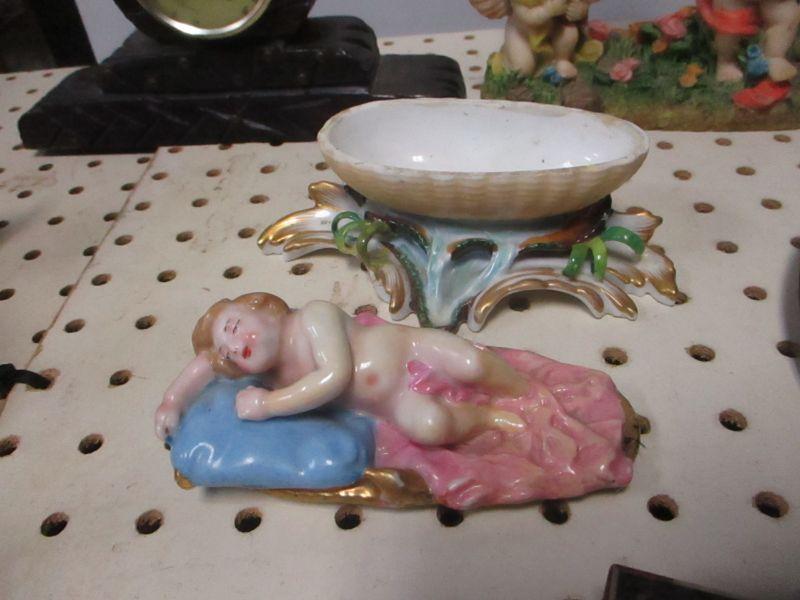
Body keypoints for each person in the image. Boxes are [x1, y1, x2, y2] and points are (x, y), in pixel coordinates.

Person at [155, 293, 528, 446]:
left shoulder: (312, 317)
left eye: (235, 327)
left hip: (413, 350)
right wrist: (172, 401)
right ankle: (487, 418)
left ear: (262, 308)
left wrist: (268, 405)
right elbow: (206, 363)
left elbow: (334, 376)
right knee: (432, 427)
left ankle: (526, 392)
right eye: (230, 352)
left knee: (471, 363)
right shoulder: (273, 375)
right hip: (394, 401)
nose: (236, 346)